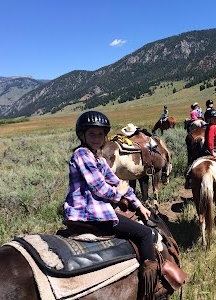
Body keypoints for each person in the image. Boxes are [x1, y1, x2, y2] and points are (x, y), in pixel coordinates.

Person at [64, 110, 163, 298]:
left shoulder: (99, 158)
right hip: (89, 213)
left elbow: (118, 181)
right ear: (82, 135)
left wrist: (139, 205)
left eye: (100, 134)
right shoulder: (82, 154)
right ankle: (151, 287)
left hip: (96, 210)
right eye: (92, 133)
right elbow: (99, 188)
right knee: (143, 234)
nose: (96, 138)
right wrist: (120, 194)